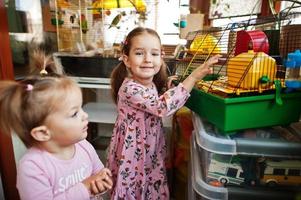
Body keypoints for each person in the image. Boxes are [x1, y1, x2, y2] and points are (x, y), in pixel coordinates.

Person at [107, 27, 220, 199]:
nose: (147, 60)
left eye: (154, 54)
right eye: (139, 53)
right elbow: (161, 107)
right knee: (134, 183)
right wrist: (193, 78)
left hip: (149, 146)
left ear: (161, 57)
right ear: (126, 59)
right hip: (133, 151)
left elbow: (152, 100)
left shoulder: (149, 85)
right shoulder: (130, 88)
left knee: (149, 180)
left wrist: (167, 87)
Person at [0, 51, 113, 200]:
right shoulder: (33, 167)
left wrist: (103, 180)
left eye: (81, 108)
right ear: (43, 133)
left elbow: (98, 174)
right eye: (74, 113)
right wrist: (85, 188)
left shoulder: (84, 146)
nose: (85, 115)